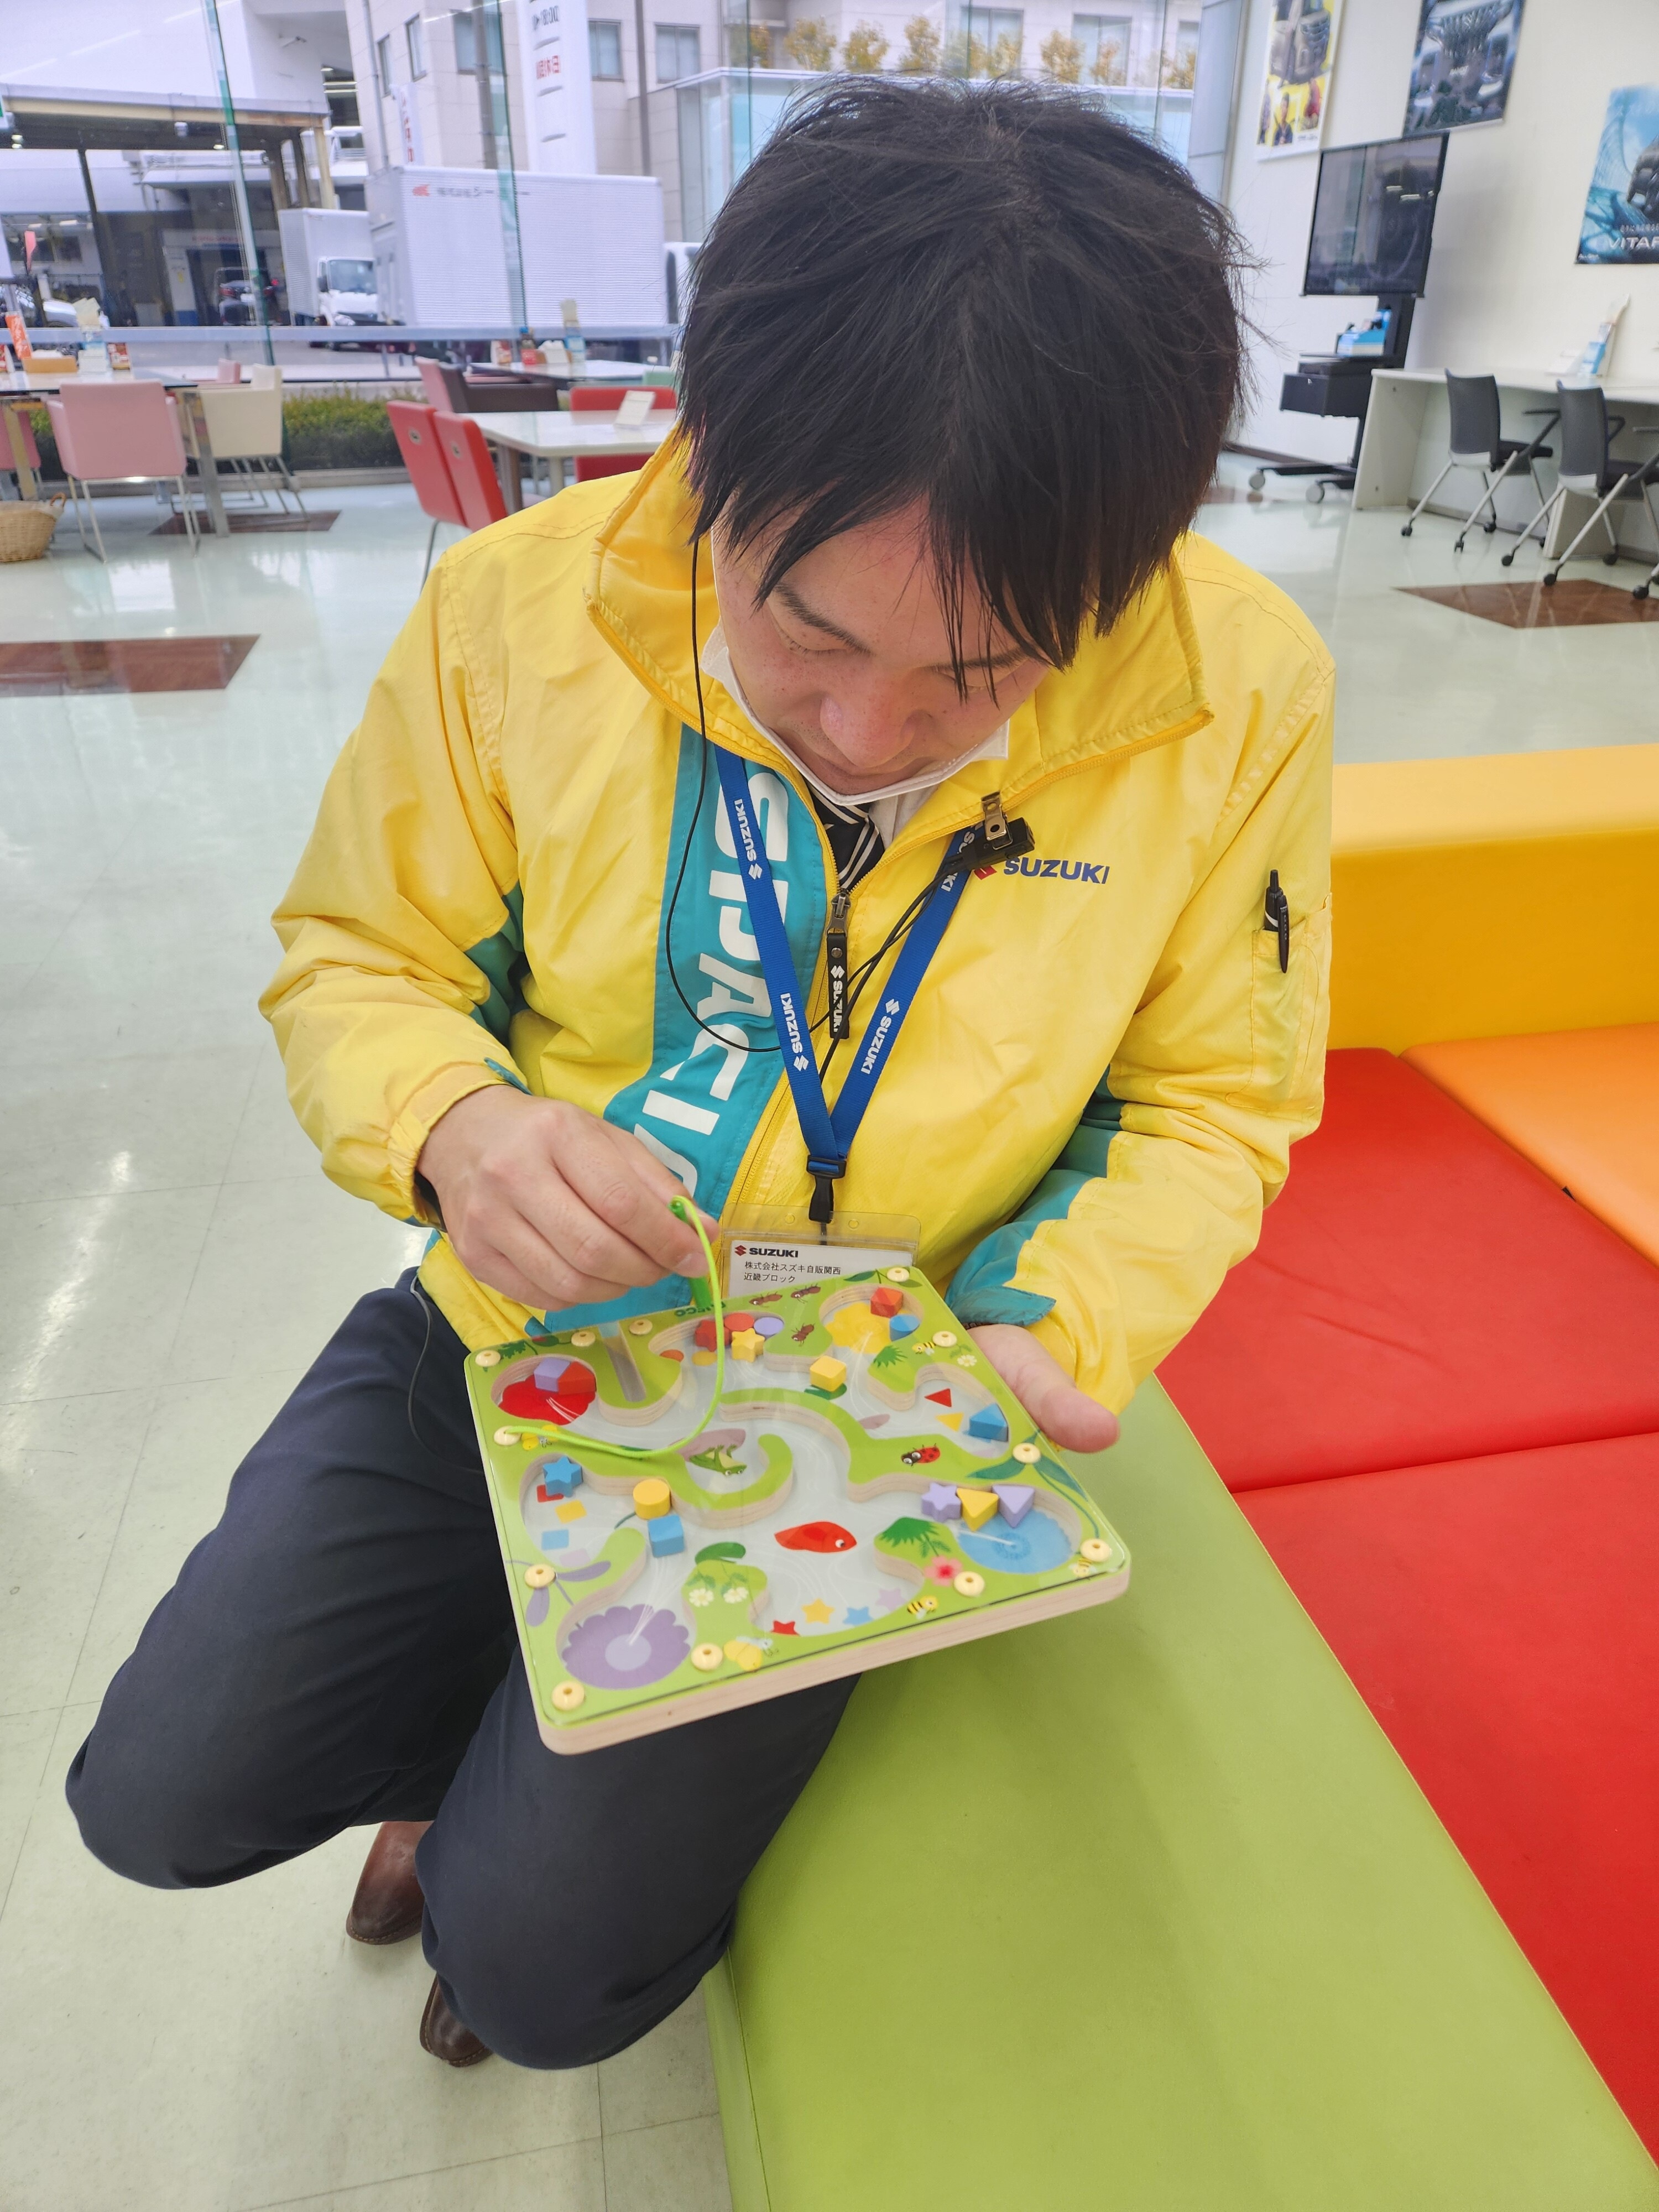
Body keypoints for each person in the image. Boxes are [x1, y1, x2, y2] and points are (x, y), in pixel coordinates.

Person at [67, 79, 1333, 2069]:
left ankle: (507, 1821)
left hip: (870, 1388)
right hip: (523, 1326)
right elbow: (361, 958)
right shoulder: (516, 611)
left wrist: (1036, 1336)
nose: (867, 731)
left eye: (986, 673)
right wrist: (456, 1125)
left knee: (536, 1983)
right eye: (805, 631)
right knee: (156, 1798)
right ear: (703, 458)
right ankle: (469, 1743)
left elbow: (1210, 1098)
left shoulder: (1236, 687)